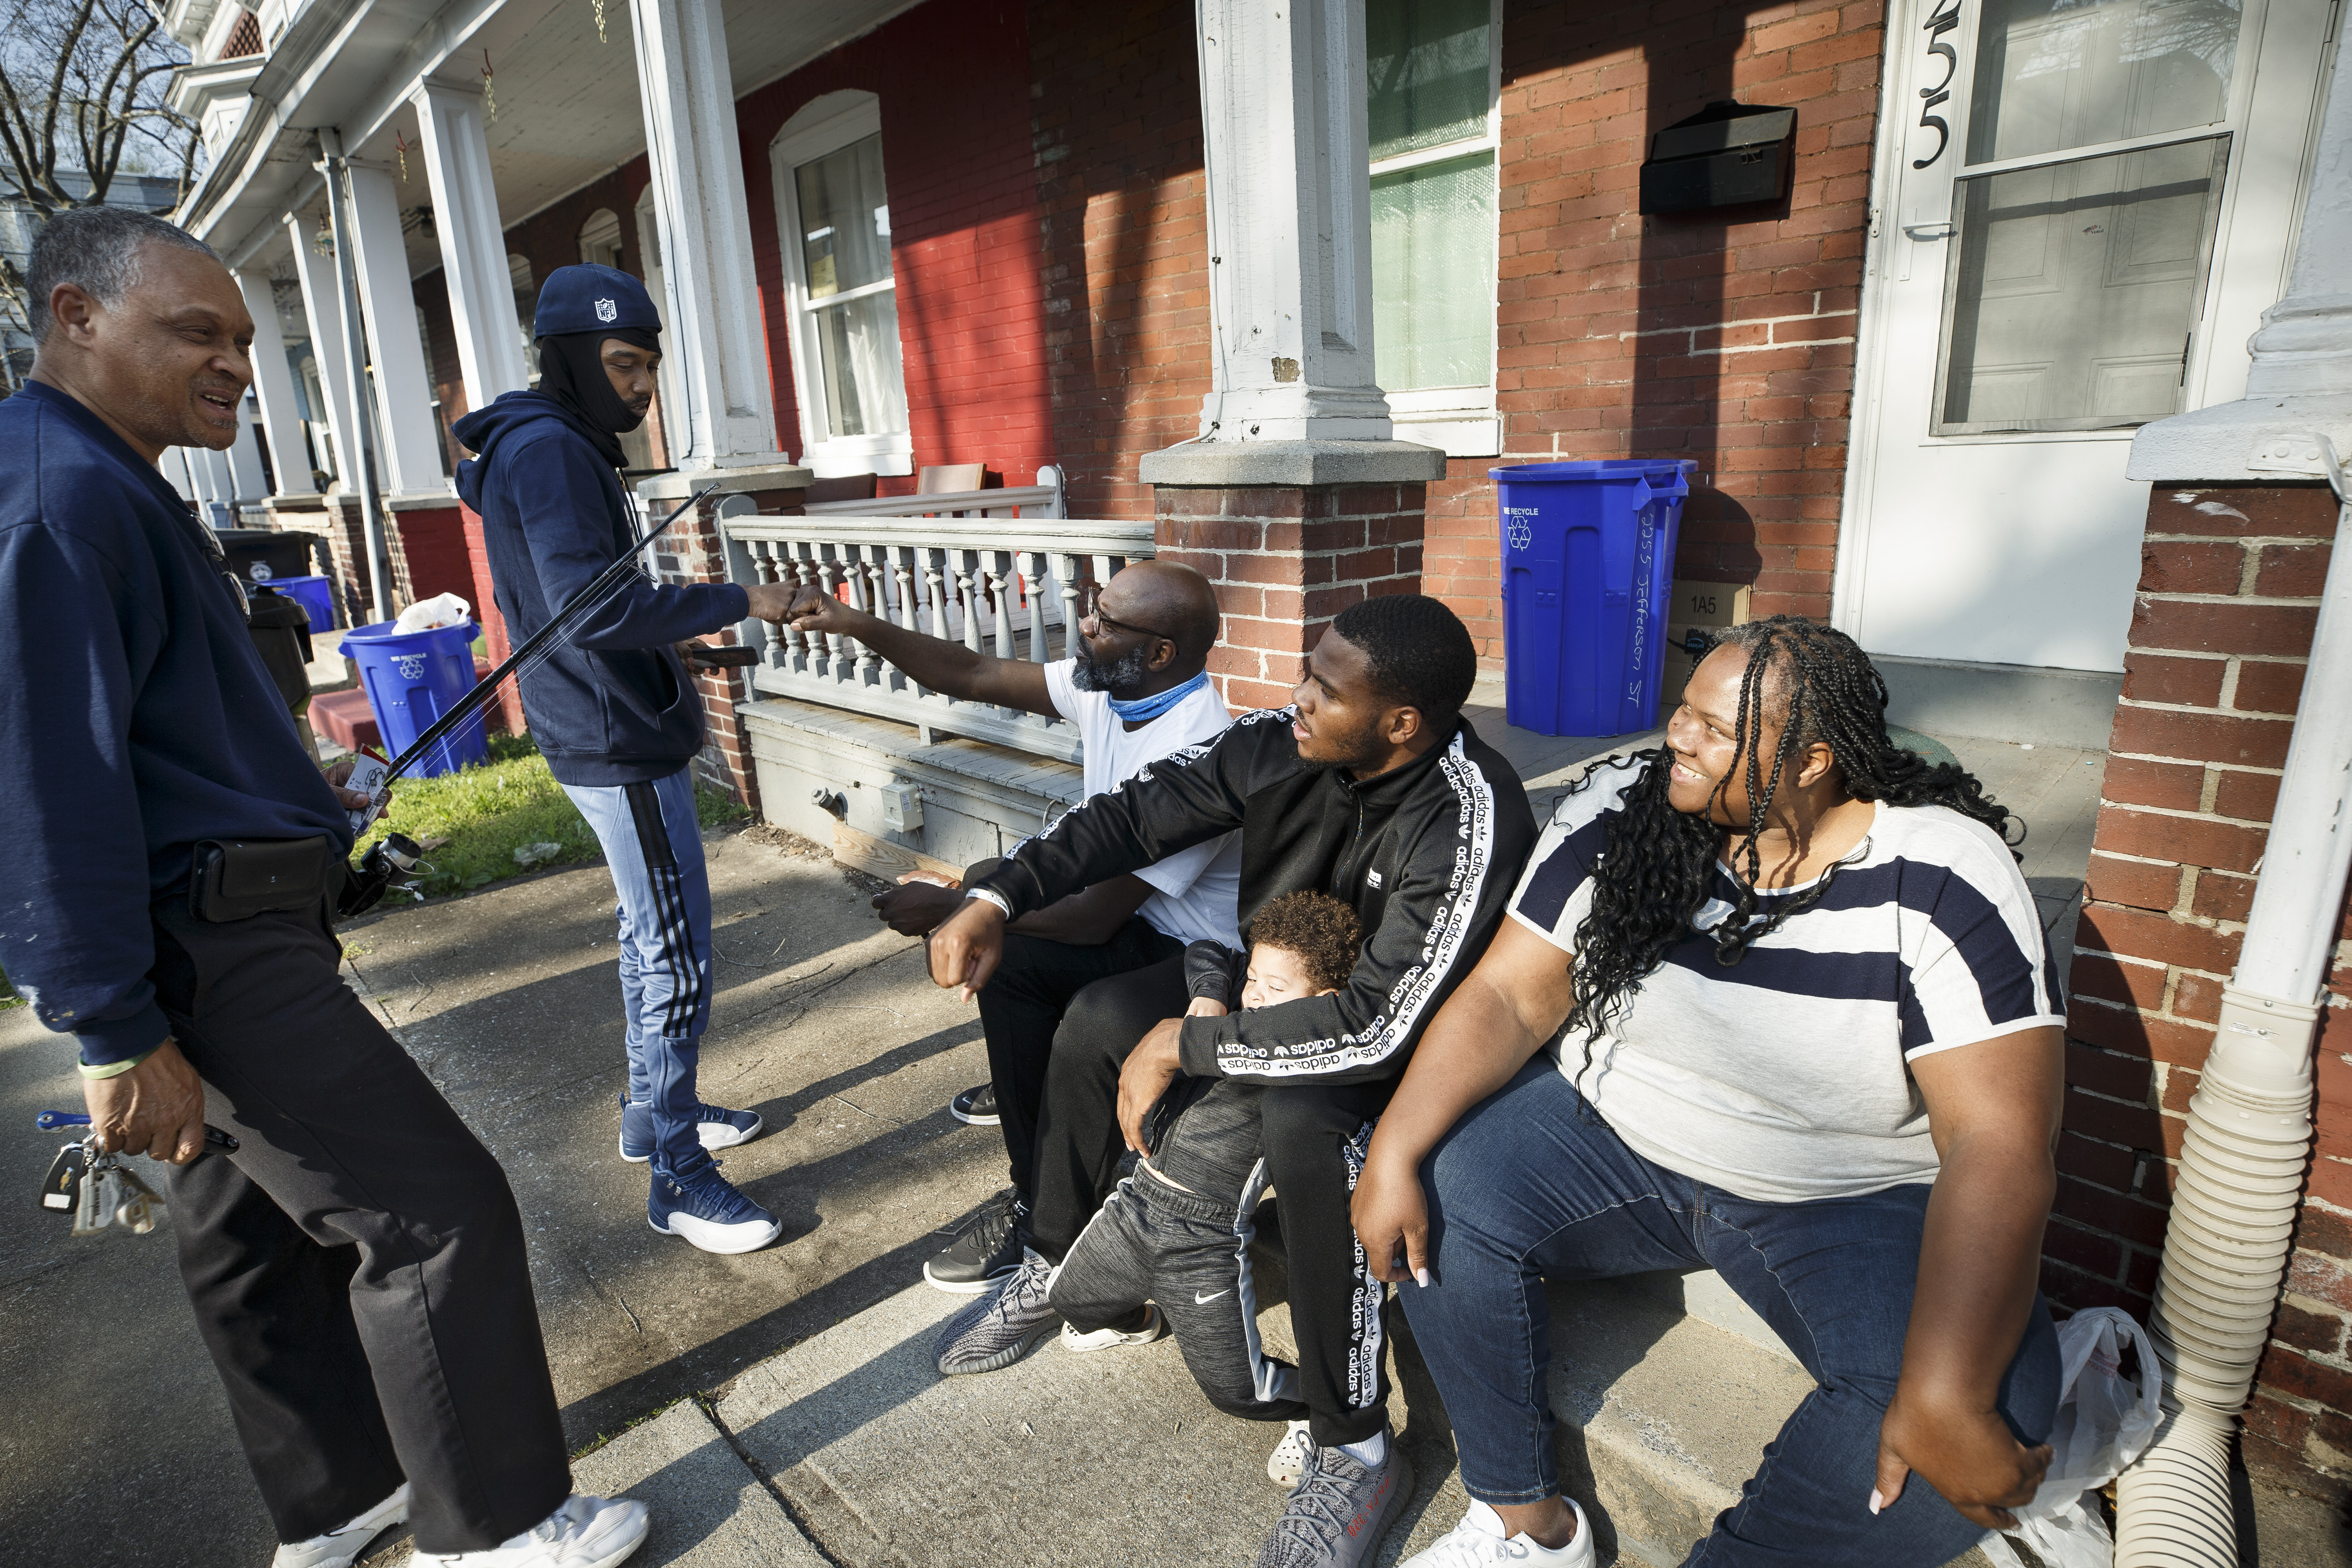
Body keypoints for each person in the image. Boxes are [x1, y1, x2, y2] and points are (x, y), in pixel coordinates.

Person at [0, 209, 646, 1567]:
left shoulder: (113, 475)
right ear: (74, 317)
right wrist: (113, 1028)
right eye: (197, 332)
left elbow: (164, 733)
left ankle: (341, 1498)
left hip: (238, 908)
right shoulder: (54, 499)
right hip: (204, 950)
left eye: (242, 335)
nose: (235, 362)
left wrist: (307, 800)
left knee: (257, 1241)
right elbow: (40, 778)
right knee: (433, 1215)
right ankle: (501, 1527)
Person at [1350, 618, 2066, 1568]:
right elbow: (1509, 994)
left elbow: (1999, 1140)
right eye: (1682, 712)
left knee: (1986, 1409)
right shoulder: (1629, 803)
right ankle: (1526, 1523)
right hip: (1611, 1138)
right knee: (1430, 1177)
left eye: (1714, 731)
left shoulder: (1940, 873)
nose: (1677, 740)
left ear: (1811, 761)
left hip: (1841, 1195)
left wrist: (1942, 1394)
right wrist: (1394, 1151)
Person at [923, 593, 1539, 1568]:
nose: (1296, 699)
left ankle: (1357, 1444)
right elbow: (1130, 816)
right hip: (1261, 986)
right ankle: (1065, 1267)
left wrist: (1189, 1045)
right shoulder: (1275, 744)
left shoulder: (1468, 813)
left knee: (1304, 1119)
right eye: (1307, 673)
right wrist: (999, 894)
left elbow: (1378, 1027)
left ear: (1401, 725)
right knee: (1092, 1017)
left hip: (1385, 1042)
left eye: (1325, 691)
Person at [454, 263, 802, 1256]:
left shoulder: (540, 444)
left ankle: (655, 1119)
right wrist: (744, 599)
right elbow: (594, 608)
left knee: (645, 935)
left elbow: (574, 607)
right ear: (569, 358)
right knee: (677, 954)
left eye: (649, 365)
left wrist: (675, 641)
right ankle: (679, 1181)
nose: (642, 385)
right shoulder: (554, 454)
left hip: (597, 716)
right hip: (616, 741)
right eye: (622, 362)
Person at [784, 559, 1242, 1291]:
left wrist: (959, 908)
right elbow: (970, 674)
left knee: (1016, 962)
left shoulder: (1193, 748)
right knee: (1001, 939)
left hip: (1192, 954)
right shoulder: (1116, 685)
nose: (1084, 627)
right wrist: (854, 623)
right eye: (1094, 607)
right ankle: (1032, 1107)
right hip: (1130, 916)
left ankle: (1044, 1207)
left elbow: (1095, 921)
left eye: (1104, 621)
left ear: (1159, 652)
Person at [1047, 890, 1367, 1485]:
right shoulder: (1228, 1018)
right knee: (1067, 1299)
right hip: (1135, 1205)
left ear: (1323, 1003)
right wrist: (1212, 992)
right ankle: (1138, 1317)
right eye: (1256, 981)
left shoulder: (1308, 1065)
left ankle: (1312, 1413)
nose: (1258, 999)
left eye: (1277, 989)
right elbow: (1206, 950)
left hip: (1203, 1246)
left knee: (1236, 1392)